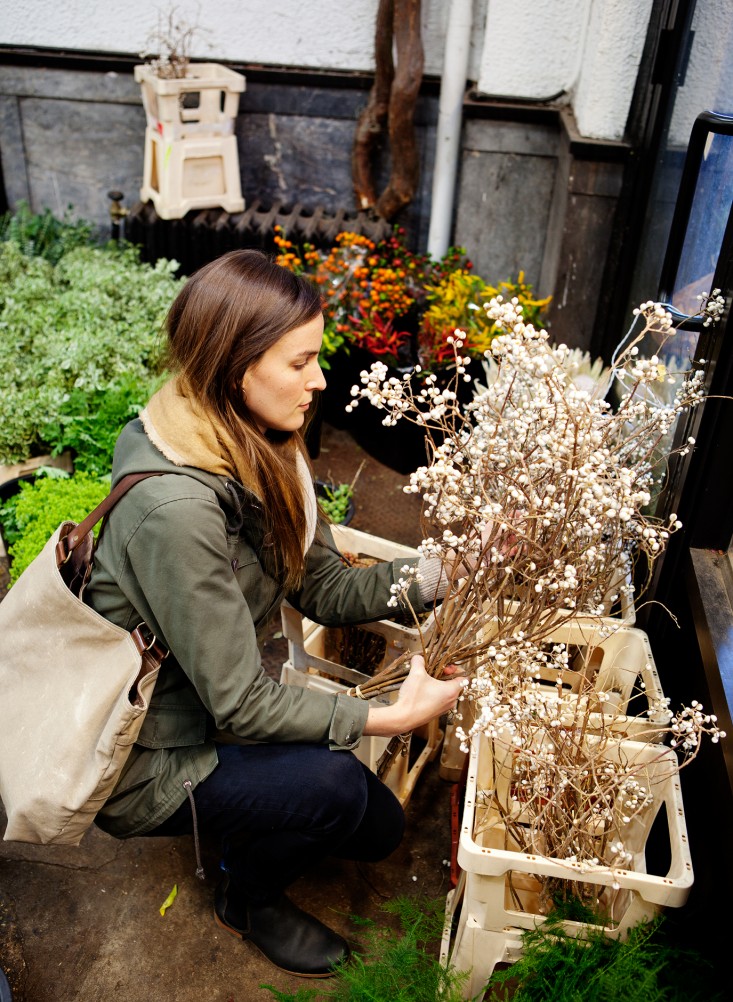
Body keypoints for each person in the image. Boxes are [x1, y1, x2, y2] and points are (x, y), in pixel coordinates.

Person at [87, 249, 463, 979]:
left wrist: (446, 572)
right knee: (335, 789)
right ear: (236, 369)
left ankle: (240, 827)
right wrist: (384, 718)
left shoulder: (261, 443)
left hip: (206, 708)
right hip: (147, 751)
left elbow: (322, 587)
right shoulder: (178, 509)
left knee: (374, 829)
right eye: (300, 363)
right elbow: (240, 702)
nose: (319, 380)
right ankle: (246, 898)